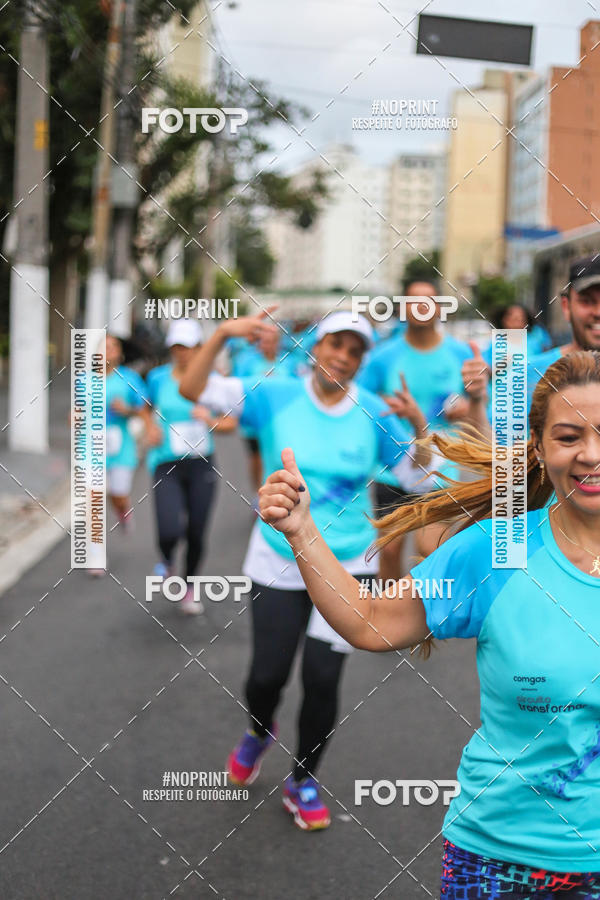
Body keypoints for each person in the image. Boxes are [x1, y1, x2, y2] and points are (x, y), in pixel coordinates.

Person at [258, 349, 600, 893]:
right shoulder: (498, 552)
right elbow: (370, 620)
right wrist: (302, 530)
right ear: (538, 447)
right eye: (568, 436)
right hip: (498, 860)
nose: (590, 454)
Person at [179, 308, 431, 830]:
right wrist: (222, 332)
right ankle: (258, 730)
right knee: (266, 676)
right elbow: (191, 390)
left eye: (355, 350)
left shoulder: (373, 413)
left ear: (362, 360)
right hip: (277, 558)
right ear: (316, 347)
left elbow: (417, 477)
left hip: (347, 565)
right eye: (335, 344)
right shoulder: (275, 394)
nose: (343, 356)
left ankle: (303, 781)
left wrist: (419, 427)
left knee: (322, 678)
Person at [358, 279, 475, 575]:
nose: (421, 307)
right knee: (388, 551)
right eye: (413, 301)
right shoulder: (382, 357)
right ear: (402, 308)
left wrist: (468, 407)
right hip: (393, 466)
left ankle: (426, 606)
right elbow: (358, 401)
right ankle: (389, 604)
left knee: (430, 551)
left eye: (428, 301)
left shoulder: (460, 354)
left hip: (441, 467)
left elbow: (480, 405)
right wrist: (379, 406)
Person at [140, 319, 237, 615]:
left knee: (196, 531)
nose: (182, 353)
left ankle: (189, 586)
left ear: (199, 348)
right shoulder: (157, 378)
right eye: (176, 347)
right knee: (168, 529)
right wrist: (150, 428)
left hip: (200, 464)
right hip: (165, 462)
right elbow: (145, 407)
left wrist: (210, 420)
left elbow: (231, 423)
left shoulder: (213, 381)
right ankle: (168, 559)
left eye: (187, 347)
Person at [527, 255, 600, 410]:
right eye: (587, 301)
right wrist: (477, 401)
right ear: (566, 307)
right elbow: (491, 426)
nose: (598, 312)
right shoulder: (527, 376)